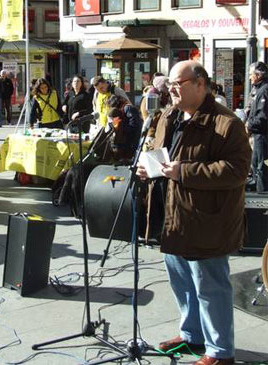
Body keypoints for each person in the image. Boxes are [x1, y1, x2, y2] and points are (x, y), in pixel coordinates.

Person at [137, 60, 251, 364]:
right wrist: (150, 170)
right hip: (172, 217)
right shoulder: (168, 117)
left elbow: (237, 171)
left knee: (210, 286)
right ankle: (192, 335)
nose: (171, 90)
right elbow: (162, 156)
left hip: (206, 221)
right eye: (170, 84)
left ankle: (220, 351)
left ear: (201, 84)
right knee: (182, 283)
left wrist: (184, 172)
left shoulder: (226, 123)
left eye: (179, 84)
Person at [246, 61, 268, 193]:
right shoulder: (257, 90)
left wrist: (249, 124)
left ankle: (263, 193)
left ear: (258, 75)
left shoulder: (264, 90)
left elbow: (263, 116)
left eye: (251, 74)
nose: (249, 78)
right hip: (257, 135)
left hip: (263, 135)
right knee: (255, 165)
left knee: (261, 166)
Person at [107, 94, 142, 160]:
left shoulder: (128, 108)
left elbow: (134, 126)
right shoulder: (125, 109)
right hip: (128, 142)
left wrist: (120, 127)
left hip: (132, 142)